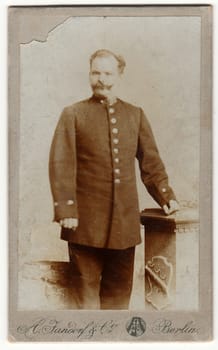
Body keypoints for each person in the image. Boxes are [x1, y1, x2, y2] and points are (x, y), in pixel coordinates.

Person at [49, 49, 179, 310]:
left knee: (119, 300)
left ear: (119, 75)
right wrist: (66, 209)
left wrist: (166, 196)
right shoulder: (73, 114)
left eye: (108, 73)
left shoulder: (135, 115)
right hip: (83, 225)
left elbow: (150, 162)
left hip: (124, 226)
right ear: (89, 75)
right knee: (85, 303)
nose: (101, 79)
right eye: (95, 72)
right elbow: (61, 164)